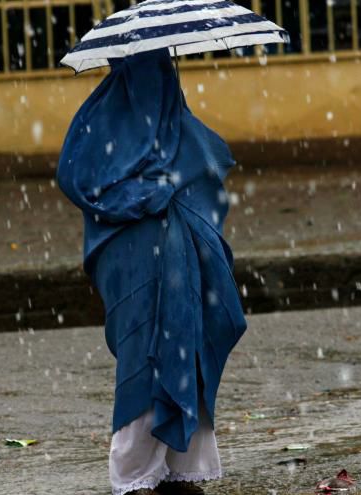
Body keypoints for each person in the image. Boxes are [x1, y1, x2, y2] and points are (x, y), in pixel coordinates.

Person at [57, 48, 247, 495]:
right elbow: (82, 182)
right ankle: (135, 474)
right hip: (136, 264)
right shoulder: (108, 123)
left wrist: (171, 190)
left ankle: (181, 468)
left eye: (160, 71)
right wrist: (146, 195)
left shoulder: (168, 125)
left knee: (184, 354)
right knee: (145, 359)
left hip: (182, 265)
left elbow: (207, 175)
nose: (155, 84)